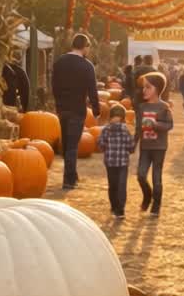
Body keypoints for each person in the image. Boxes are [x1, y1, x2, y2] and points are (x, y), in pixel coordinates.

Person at [52, 33, 102, 189]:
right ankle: (69, 181)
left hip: (62, 108)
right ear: (85, 47)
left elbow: (53, 85)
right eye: (88, 47)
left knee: (67, 145)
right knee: (73, 146)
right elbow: (92, 90)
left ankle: (72, 174)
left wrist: (58, 103)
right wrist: (96, 110)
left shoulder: (59, 62)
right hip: (77, 110)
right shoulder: (87, 66)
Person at [134, 72, 173, 216]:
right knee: (141, 175)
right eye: (143, 87)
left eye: (148, 87)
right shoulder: (142, 107)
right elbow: (138, 127)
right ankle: (147, 195)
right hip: (145, 147)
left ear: (157, 89)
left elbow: (169, 125)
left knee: (157, 178)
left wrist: (155, 124)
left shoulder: (164, 107)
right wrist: (134, 143)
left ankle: (156, 206)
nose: (144, 90)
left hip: (159, 147)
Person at [97, 103, 135, 219]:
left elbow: (101, 144)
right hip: (123, 163)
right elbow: (131, 146)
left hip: (110, 162)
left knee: (112, 185)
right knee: (121, 186)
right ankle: (120, 209)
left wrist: (106, 149)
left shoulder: (105, 130)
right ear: (123, 118)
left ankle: (114, 207)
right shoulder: (126, 130)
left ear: (110, 117)